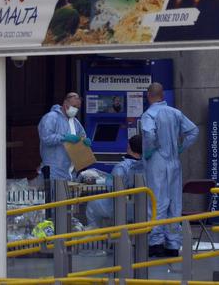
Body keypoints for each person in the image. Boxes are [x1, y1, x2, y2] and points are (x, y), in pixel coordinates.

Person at [140, 82, 198, 258]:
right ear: (162, 95)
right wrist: (180, 147)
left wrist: (149, 150)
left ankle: (156, 242)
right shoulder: (175, 113)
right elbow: (193, 131)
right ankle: (173, 243)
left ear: (149, 95)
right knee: (174, 202)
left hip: (157, 161)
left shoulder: (149, 114)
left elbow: (149, 134)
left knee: (157, 202)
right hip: (174, 161)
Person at [85, 134, 144, 229]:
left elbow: (113, 187)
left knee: (92, 203)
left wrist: (104, 180)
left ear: (128, 146)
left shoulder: (122, 167)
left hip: (122, 207)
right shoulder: (147, 165)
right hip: (143, 208)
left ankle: (96, 238)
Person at [38, 92, 91, 181]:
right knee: (55, 194)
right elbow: (46, 138)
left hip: (71, 173)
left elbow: (82, 135)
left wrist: (85, 142)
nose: (76, 109)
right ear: (65, 104)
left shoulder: (75, 121)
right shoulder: (51, 118)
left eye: (78, 107)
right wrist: (64, 137)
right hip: (54, 171)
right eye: (74, 106)